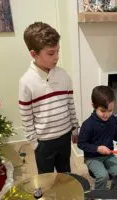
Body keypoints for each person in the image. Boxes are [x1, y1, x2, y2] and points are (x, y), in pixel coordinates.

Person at [18, 22, 79, 174]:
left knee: (65, 173)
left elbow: (70, 103)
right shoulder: (26, 82)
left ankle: (65, 197)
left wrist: (74, 127)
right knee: (46, 178)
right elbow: (26, 115)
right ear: (34, 54)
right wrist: (34, 143)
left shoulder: (63, 75)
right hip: (43, 142)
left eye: (58, 51)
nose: (57, 57)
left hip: (65, 136)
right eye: (51, 53)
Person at [78, 85, 117, 190]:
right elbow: (81, 144)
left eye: (110, 111)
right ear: (94, 106)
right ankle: (99, 197)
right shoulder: (88, 124)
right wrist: (97, 148)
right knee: (103, 176)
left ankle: (115, 194)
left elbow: (115, 135)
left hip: (108, 155)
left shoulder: (113, 120)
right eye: (103, 111)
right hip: (92, 157)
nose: (107, 115)